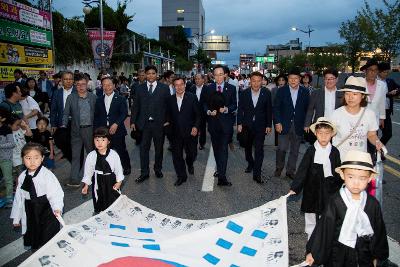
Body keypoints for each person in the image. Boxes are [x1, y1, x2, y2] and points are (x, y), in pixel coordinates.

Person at [305, 150, 389, 266]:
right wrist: (314, 253)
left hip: (363, 255)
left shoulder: (372, 204)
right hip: (337, 254)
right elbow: (324, 229)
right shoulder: (335, 201)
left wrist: (377, 256)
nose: (356, 183)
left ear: (369, 179)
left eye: (362, 178)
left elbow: (378, 231)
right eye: (351, 177)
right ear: (343, 175)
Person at [289, 117, 342, 239]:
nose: (323, 137)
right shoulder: (311, 151)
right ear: (316, 134)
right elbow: (303, 170)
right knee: (311, 215)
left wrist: (342, 185)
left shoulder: (334, 152)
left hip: (329, 189)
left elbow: (338, 171)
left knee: (327, 215)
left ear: (332, 135)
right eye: (320, 133)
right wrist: (295, 187)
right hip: (312, 188)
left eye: (327, 133)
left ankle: (324, 240)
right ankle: (311, 239)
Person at [10, 143, 64, 249]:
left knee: (49, 235)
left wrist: (57, 207)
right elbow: (19, 199)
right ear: (22, 159)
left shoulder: (47, 175)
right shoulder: (22, 177)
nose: (32, 161)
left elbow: (55, 193)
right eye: (28, 158)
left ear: (42, 158)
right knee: (35, 234)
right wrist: (16, 218)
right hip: (30, 209)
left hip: (46, 209)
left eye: (36, 158)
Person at [329, 76, 384, 160]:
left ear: (362, 96)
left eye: (355, 94)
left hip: (360, 160)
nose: (350, 97)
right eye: (347, 93)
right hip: (340, 159)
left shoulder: (369, 114)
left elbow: (371, 134)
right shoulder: (336, 114)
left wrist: (377, 142)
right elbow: (329, 134)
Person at [131, 65, 170, 182]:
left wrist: (167, 120)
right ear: (145, 75)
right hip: (143, 124)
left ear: (157, 75)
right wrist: (133, 121)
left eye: (153, 73)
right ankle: (144, 172)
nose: (151, 75)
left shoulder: (164, 88)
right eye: (148, 73)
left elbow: (168, 106)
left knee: (159, 149)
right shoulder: (140, 88)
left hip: (159, 124)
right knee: (143, 149)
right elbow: (135, 106)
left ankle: (158, 169)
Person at [202, 65, 237, 186]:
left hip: (226, 124)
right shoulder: (208, 88)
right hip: (213, 124)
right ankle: (220, 169)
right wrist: (208, 111)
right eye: (215, 74)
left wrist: (226, 109)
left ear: (225, 75)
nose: (218, 77)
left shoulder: (231, 88)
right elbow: (204, 104)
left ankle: (222, 177)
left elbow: (234, 105)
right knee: (216, 149)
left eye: (220, 74)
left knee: (223, 149)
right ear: (213, 75)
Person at [273, 68, 309, 179]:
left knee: (295, 150)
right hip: (284, 124)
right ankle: (279, 167)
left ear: (300, 79)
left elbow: (307, 109)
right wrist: (277, 122)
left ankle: (290, 171)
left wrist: (306, 123)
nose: (293, 80)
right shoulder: (282, 91)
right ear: (288, 79)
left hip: (298, 125)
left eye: (296, 78)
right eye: (291, 78)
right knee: (281, 149)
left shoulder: (305, 92)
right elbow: (276, 108)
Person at [237, 71, 272, 184]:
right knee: (247, 147)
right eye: (254, 81)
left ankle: (257, 174)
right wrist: (239, 124)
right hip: (247, 126)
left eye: (258, 81)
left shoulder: (266, 93)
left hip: (260, 126)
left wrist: (268, 125)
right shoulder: (244, 93)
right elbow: (240, 109)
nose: (256, 83)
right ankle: (250, 163)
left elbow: (268, 110)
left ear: (262, 81)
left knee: (259, 150)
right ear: (250, 81)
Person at [62, 73, 96, 186]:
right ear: (75, 86)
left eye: (83, 84)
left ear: (87, 84)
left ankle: (94, 176)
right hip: (76, 130)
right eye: (78, 85)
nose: (81, 87)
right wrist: (63, 125)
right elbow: (66, 113)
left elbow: (98, 113)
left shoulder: (93, 97)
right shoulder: (71, 97)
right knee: (76, 155)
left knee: (92, 154)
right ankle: (74, 178)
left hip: (90, 130)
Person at [166, 77, 200, 186]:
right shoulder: (170, 99)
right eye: (176, 85)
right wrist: (166, 125)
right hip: (175, 133)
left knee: (192, 154)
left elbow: (198, 115)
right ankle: (181, 176)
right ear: (173, 86)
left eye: (181, 84)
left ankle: (190, 164)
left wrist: (195, 127)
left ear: (185, 85)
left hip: (191, 132)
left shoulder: (192, 97)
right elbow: (167, 115)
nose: (179, 87)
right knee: (177, 156)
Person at [94, 76, 131, 176]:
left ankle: (126, 166)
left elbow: (124, 113)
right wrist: (97, 131)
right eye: (104, 85)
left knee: (121, 150)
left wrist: (116, 124)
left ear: (114, 86)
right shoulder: (99, 100)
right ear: (102, 86)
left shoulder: (120, 99)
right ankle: (107, 168)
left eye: (109, 85)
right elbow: (96, 116)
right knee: (104, 151)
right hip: (103, 131)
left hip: (118, 130)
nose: (107, 87)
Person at [81, 127, 123, 213]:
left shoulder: (113, 154)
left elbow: (118, 169)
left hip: (111, 179)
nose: (100, 143)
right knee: (99, 198)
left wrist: (119, 182)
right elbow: (88, 172)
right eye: (97, 140)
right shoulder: (91, 156)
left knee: (113, 199)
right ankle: (100, 213)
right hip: (97, 180)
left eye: (103, 140)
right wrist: (86, 185)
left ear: (108, 141)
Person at [304, 68, 343, 144]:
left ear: (337, 79)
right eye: (326, 79)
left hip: (337, 127)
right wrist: (307, 124)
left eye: (331, 78)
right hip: (320, 127)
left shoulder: (342, 94)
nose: (329, 81)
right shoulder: (316, 93)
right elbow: (310, 109)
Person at [50, 71, 76, 163]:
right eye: (66, 79)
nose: (68, 81)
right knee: (61, 142)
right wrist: (53, 124)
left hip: (76, 124)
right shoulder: (57, 93)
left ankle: (78, 166)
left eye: (70, 79)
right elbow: (53, 110)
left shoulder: (78, 91)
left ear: (73, 80)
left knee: (77, 146)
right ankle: (72, 160)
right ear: (61, 80)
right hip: (62, 123)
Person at [378, 62, 399, 145]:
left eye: (387, 72)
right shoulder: (374, 82)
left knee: (388, 134)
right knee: (372, 133)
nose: (386, 74)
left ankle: (378, 150)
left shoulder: (390, 81)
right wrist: (388, 94)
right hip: (376, 111)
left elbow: (399, 88)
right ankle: (375, 153)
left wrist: (396, 91)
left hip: (386, 112)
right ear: (379, 72)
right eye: (384, 72)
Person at [9, 115, 32, 189]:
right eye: (17, 124)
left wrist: (26, 125)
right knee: (20, 174)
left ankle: (20, 188)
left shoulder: (20, 130)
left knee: (23, 173)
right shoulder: (8, 133)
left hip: (24, 155)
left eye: (20, 124)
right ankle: (19, 189)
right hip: (16, 158)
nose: (19, 126)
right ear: (10, 125)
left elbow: (30, 134)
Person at [187, 73, 207, 150]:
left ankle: (202, 143)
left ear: (203, 80)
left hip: (203, 113)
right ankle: (193, 143)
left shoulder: (207, 89)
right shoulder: (191, 88)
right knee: (193, 128)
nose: (197, 80)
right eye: (196, 79)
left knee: (202, 129)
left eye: (199, 79)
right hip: (193, 113)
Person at [0, 108, 15, 208]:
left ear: (2, 118)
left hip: (5, 158)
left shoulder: (6, 129)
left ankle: (9, 198)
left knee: (8, 178)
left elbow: (12, 143)